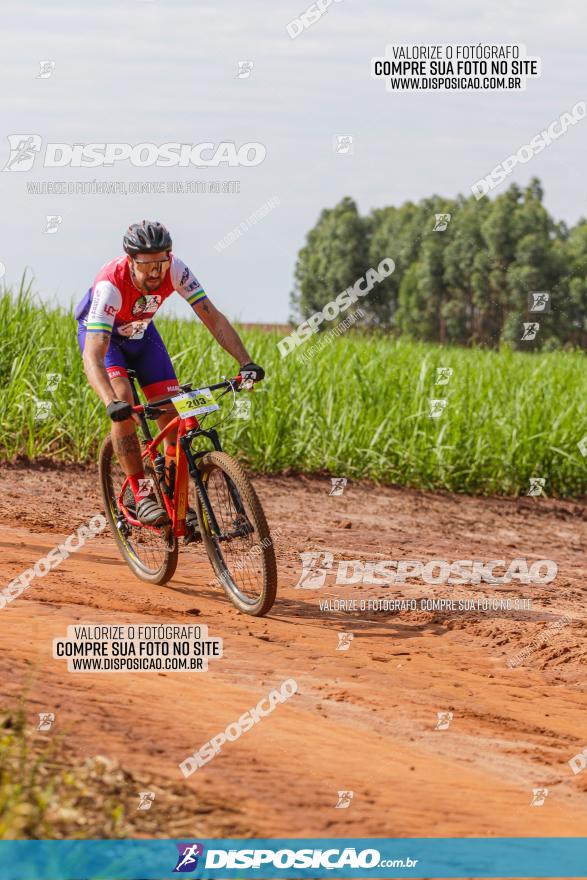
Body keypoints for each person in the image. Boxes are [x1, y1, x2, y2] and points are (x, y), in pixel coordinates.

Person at [75, 220, 264, 526]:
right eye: (146, 264)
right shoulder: (111, 285)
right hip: (107, 339)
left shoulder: (176, 270)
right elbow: (92, 355)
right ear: (129, 260)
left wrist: (245, 362)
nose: (155, 272)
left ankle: (173, 497)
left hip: (142, 334)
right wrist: (111, 402)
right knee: (124, 400)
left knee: (172, 413)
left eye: (161, 262)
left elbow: (212, 318)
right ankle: (140, 493)